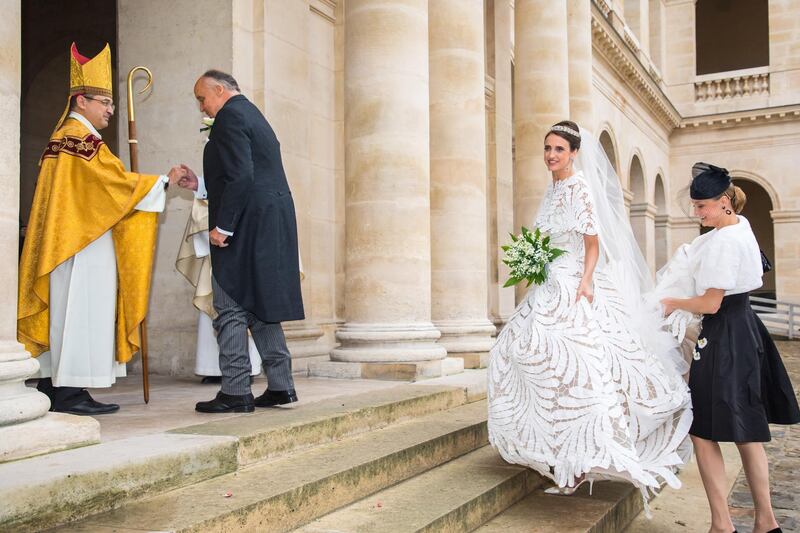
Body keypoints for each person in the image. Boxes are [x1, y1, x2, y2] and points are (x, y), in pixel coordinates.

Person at [488, 121, 693, 507]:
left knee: (577, 366)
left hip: (573, 282)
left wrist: (585, 282)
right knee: (516, 353)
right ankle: (551, 445)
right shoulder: (552, 188)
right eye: (547, 148)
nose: (551, 155)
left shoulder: (579, 187)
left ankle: (581, 457)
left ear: (574, 153)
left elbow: (592, 243)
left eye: (559, 150)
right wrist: (532, 260)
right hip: (549, 281)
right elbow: (546, 238)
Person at [17, 43, 183, 415]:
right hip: (82, 244)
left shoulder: (67, 136)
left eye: (110, 102)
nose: (110, 109)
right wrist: (162, 182)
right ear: (81, 101)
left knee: (67, 314)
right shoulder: (79, 138)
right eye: (103, 102)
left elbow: (105, 184)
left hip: (72, 240)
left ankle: (54, 384)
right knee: (80, 311)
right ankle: (70, 392)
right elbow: (111, 186)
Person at [661, 163, 800, 533]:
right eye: (695, 206)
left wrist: (673, 302)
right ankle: (765, 522)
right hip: (745, 329)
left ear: (724, 202)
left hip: (724, 336)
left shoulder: (723, 240)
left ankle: (723, 525)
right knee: (747, 430)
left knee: (704, 430)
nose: (697, 213)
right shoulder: (740, 225)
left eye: (702, 206)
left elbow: (710, 304)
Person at [178, 70, 304, 413]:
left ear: (220, 90)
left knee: (230, 304)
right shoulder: (251, 113)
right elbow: (249, 172)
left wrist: (224, 226)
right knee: (260, 305)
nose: (202, 107)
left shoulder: (230, 117)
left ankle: (235, 391)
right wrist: (199, 185)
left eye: (202, 98)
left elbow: (241, 176)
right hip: (268, 221)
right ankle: (281, 387)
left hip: (246, 223)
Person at [175, 196, 262, 383]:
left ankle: (247, 369)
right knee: (216, 310)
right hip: (219, 250)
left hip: (246, 247)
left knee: (245, 310)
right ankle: (213, 369)